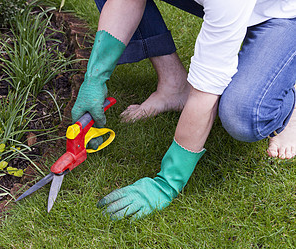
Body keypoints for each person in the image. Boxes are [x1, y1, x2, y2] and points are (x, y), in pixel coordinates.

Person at [71, 0, 296, 220]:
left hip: (282, 12)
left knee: (244, 116)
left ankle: (289, 95)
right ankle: (173, 86)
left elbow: (206, 90)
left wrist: (168, 182)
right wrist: (95, 77)